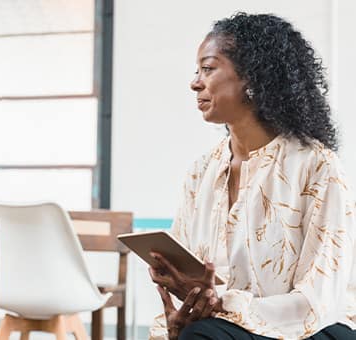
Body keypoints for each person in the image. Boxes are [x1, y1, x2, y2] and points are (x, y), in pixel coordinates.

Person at [147, 13, 356, 340]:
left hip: (315, 328)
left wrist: (222, 306)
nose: (195, 83)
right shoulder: (200, 173)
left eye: (208, 69)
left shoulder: (317, 166)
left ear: (253, 79)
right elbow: (196, 286)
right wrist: (183, 313)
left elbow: (319, 299)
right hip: (224, 327)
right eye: (196, 71)